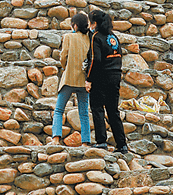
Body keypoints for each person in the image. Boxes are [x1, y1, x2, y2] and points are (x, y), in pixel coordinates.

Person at [86, 10, 128, 154]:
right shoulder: (113, 37)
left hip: (101, 76)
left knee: (97, 107)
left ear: (95, 23)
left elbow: (95, 60)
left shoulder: (96, 37)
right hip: (115, 74)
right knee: (113, 110)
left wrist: (89, 79)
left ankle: (101, 141)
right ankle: (122, 144)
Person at [52, 13, 91, 146]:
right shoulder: (90, 39)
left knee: (58, 110)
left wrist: (64, 67)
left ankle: (56, 139)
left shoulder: (68, 37)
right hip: (83, 80)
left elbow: (63, 56)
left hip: (68, 78)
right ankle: (86, 142)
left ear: (74, 25)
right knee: (84, 113)